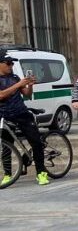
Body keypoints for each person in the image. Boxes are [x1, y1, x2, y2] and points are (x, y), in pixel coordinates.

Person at [0, 54, 48, 186]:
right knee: (6, 147)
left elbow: (27, 94)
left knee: (36, 142)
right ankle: (8, 174)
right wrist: (19, 84)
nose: (11, 66)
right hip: (4, 116)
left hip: (22, 113)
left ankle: (41, 172)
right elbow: (1, 95)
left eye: (12, 63)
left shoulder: (15, 78)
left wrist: (30, 85)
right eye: (8, 63)